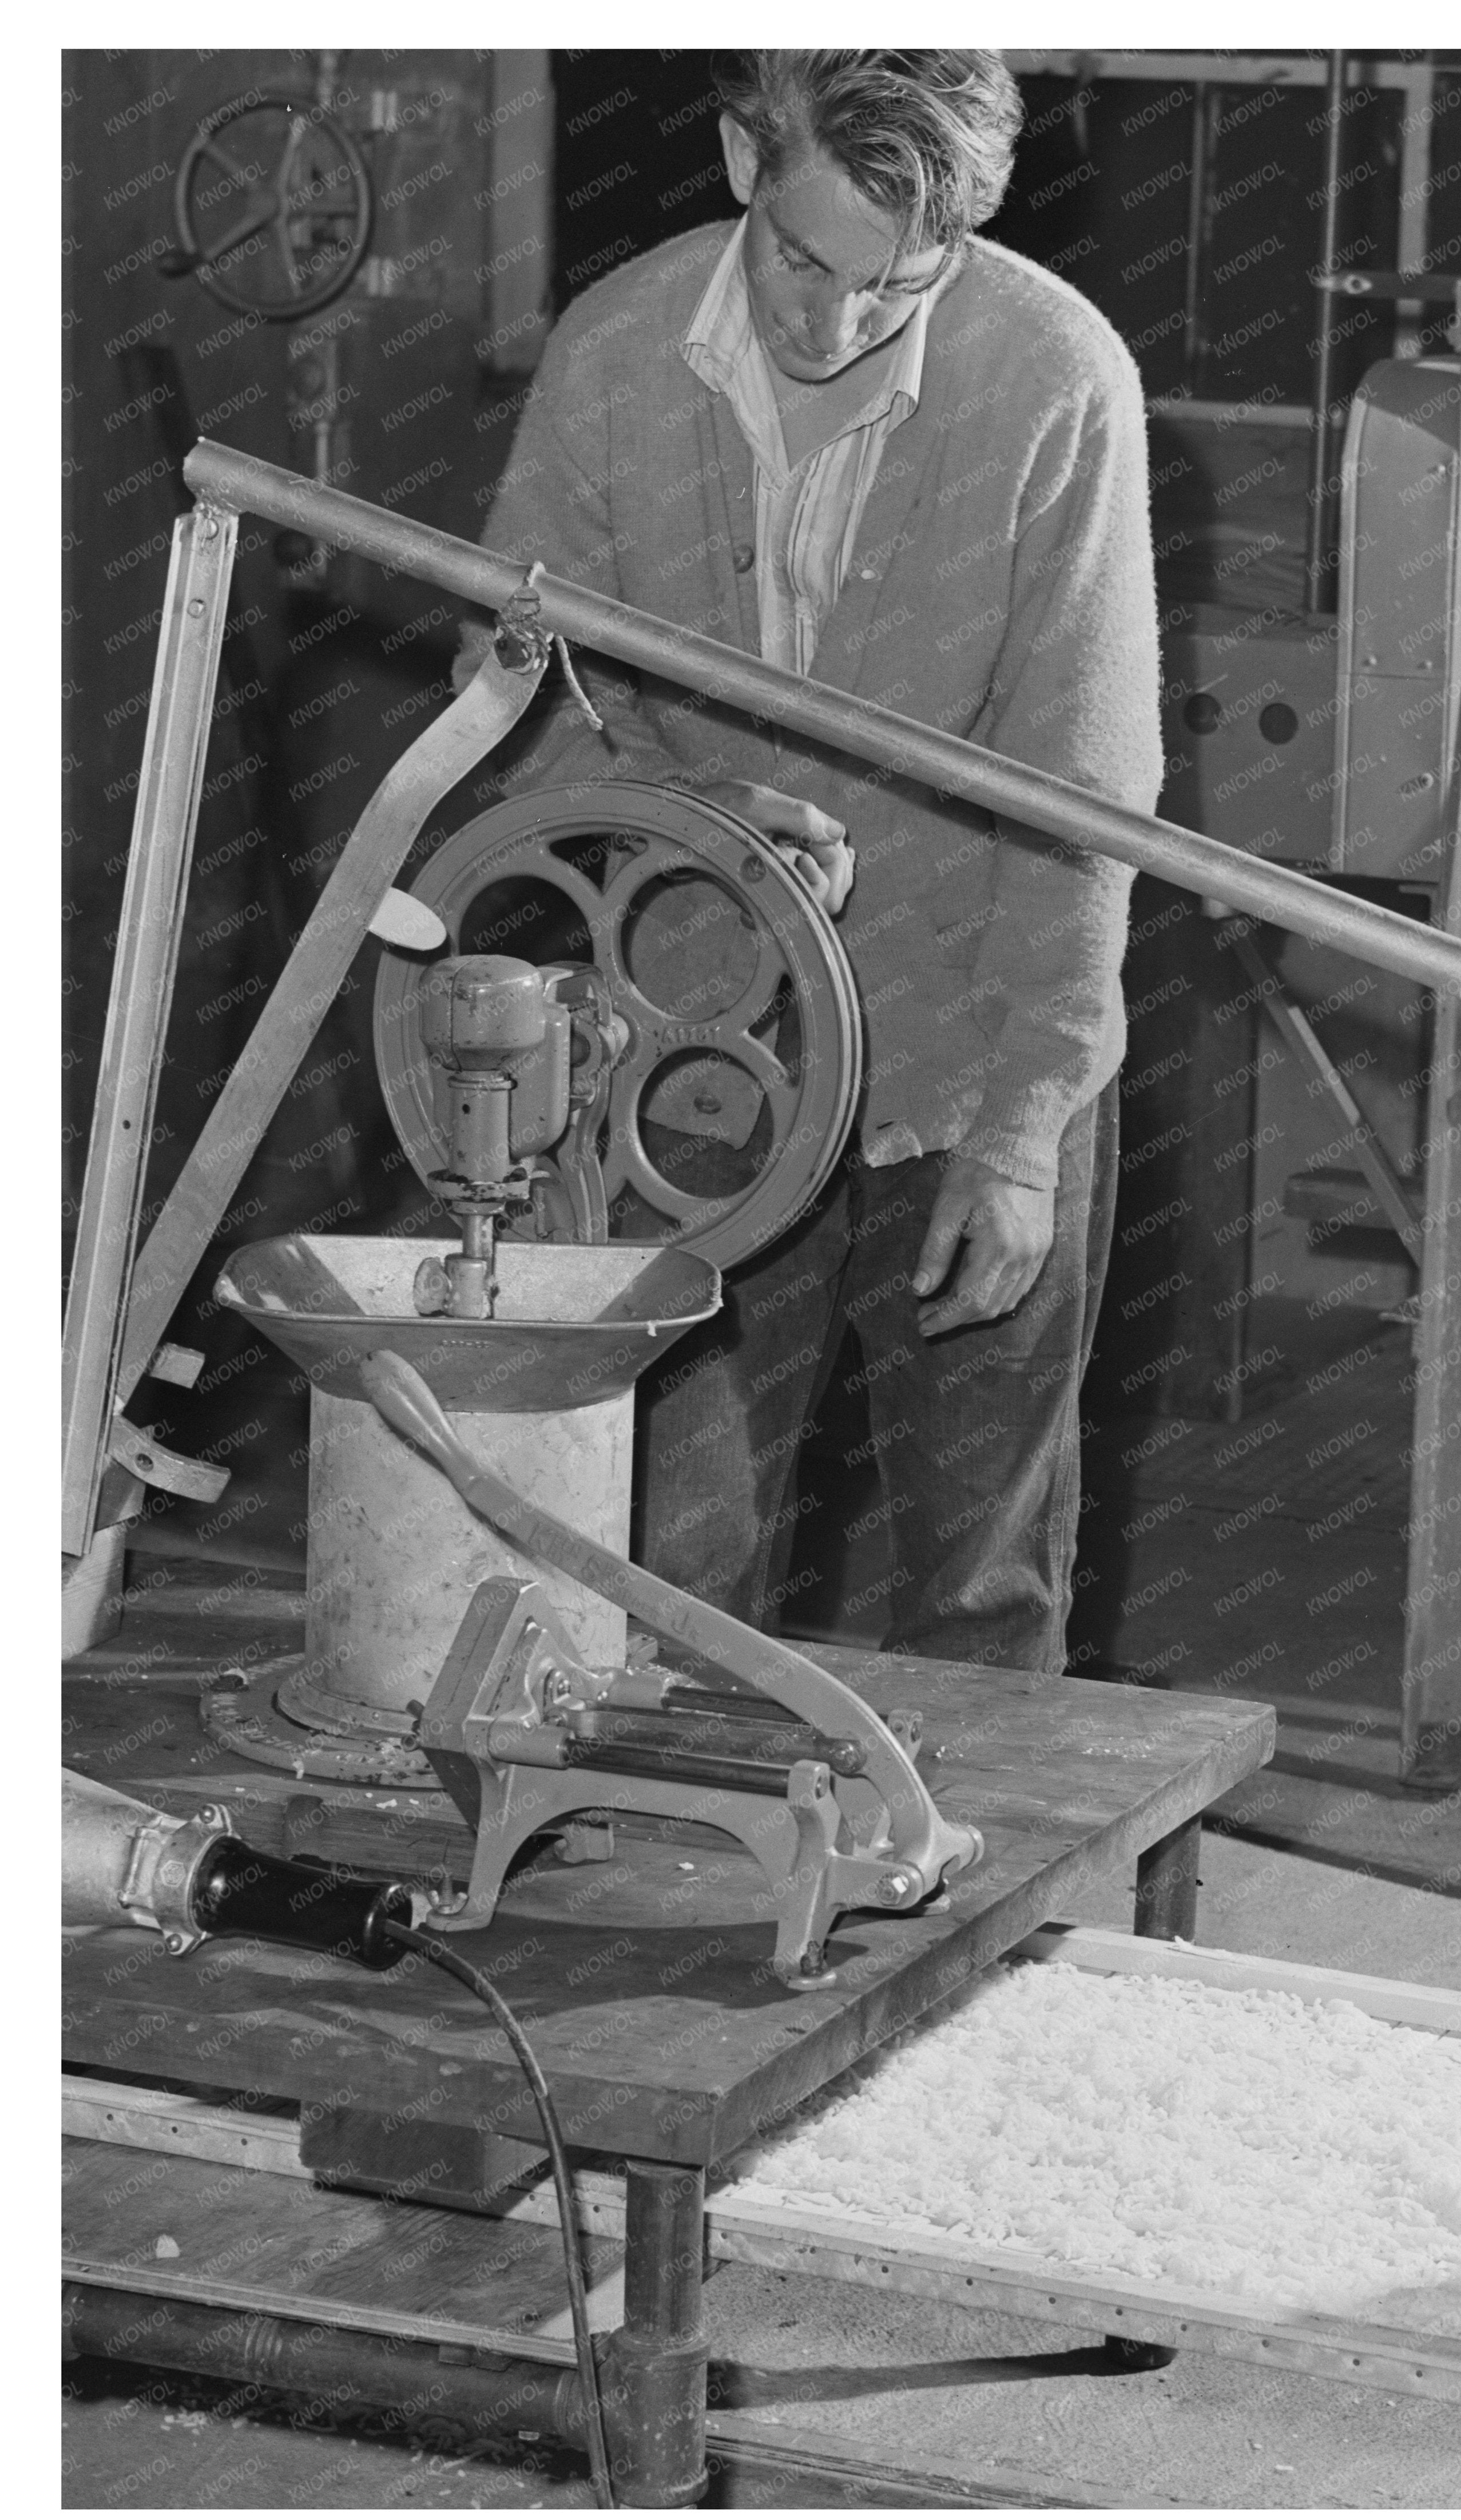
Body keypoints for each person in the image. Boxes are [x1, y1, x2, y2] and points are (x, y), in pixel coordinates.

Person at [462, 51, 1161, 1669]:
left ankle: (985, 1927)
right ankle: (682, 1912)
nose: (834, 325)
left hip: (970, 1056)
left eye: (896, 286)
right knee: (669, 1588)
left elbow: (1086, 785)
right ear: (737, 158)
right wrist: (691, 814)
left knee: (982, 1604)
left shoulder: (1056, 376)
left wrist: (1026, 1126)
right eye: (802, 259)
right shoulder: (616, 353)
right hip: (683, 1064)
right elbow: (517, 708)